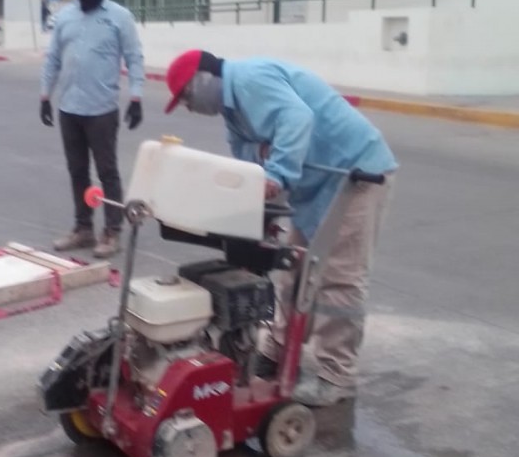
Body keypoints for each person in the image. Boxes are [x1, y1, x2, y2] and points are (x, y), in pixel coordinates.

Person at [163, 50, 398, 406]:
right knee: (294, 271)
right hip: (318, 185)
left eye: (186, 97)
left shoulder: (249, 79)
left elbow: (297, 118)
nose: (188, 107)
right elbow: (247, 167)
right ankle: (276, 351)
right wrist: (258, 213)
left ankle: (337, 376)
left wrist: (277, 176)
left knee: (339, 279)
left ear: (204, 80)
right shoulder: (233, 112)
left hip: (357, 174)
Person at [40, 0, 145, 259]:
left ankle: (112, 231)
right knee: (77, 171)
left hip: (101, 109)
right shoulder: (64, 17)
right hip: (69, 108)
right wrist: (45, 96)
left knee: (107, 172)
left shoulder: (119, 17)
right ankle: (83, 228)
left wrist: (136, 98)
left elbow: (134, 58)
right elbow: (53, 60)